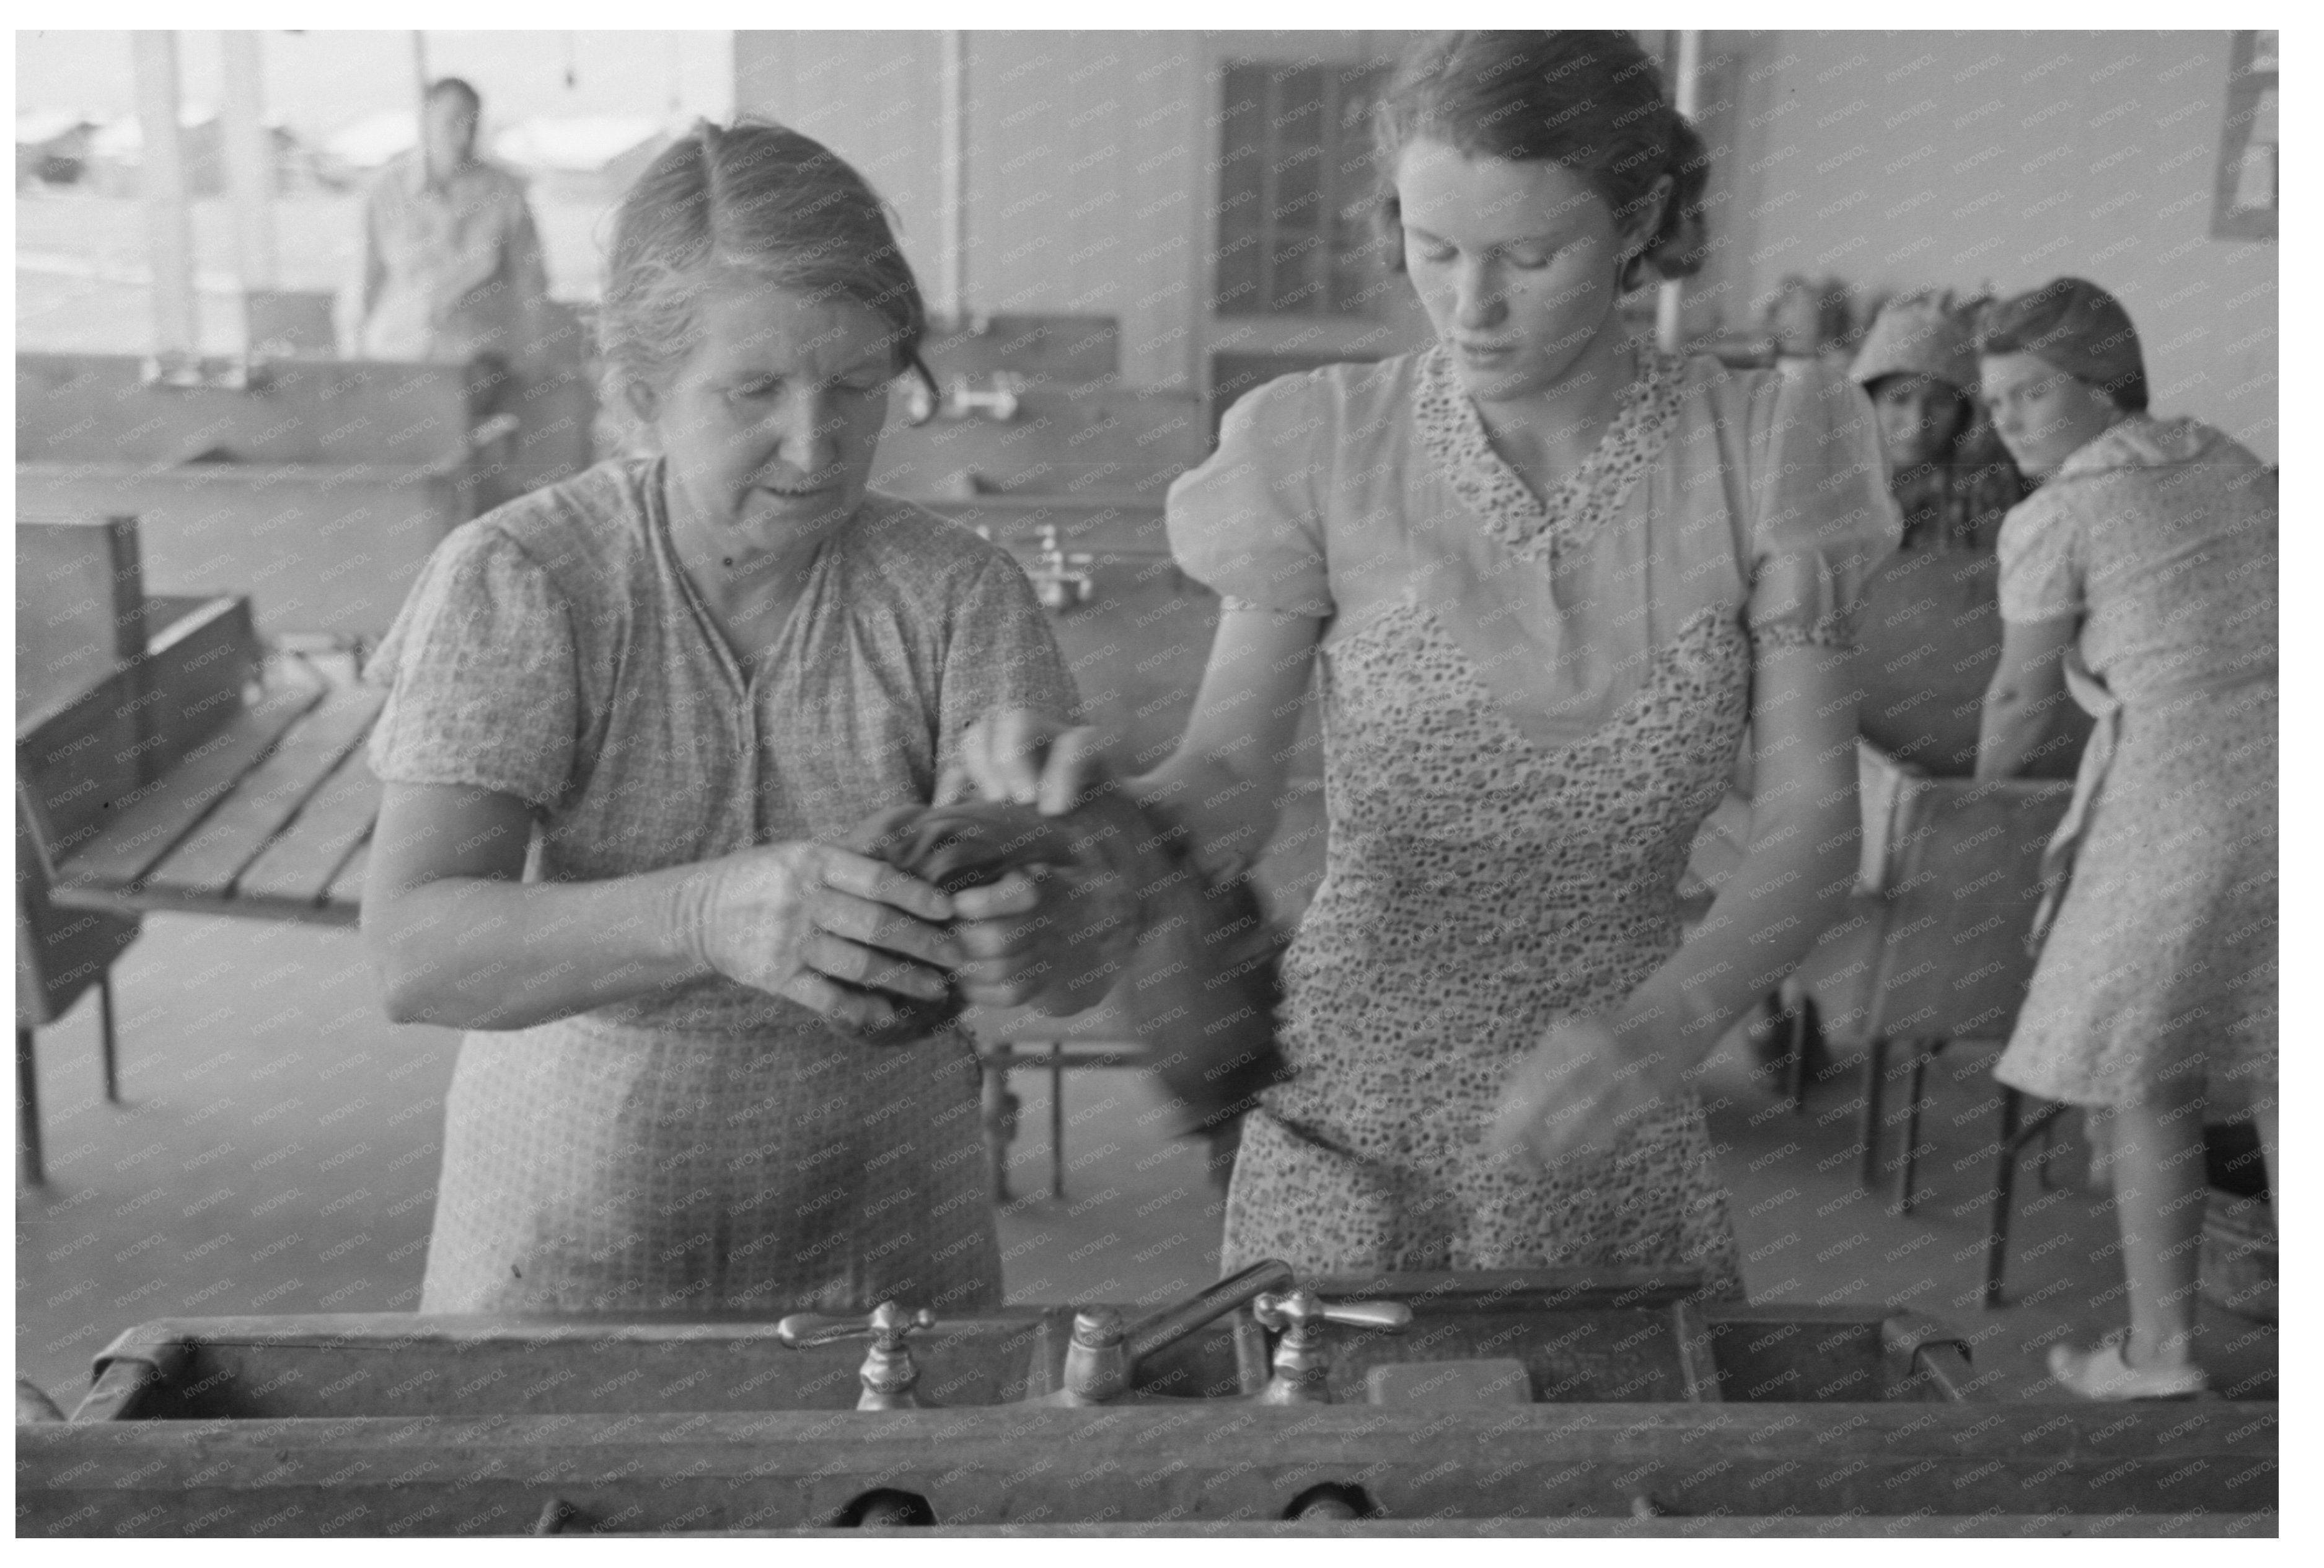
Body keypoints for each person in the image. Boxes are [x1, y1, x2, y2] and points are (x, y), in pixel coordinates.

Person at [963, 31, 1901, 1291]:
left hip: (1611, 1099)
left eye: (1529, 255)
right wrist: (1104, 813)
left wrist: (1669, 1026)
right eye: (1434, 246)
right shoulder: (1320, 442)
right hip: (1347, 1093)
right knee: (1341, 1472)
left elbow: (1812, 827)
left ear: (1641, 222)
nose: (1473, 306)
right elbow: (1232, 773)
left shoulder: (1767, 448)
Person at [360, 120, 1100, 1316]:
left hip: (884, 1247)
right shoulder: (527, 580)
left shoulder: (955, 591)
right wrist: (703, 912)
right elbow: (416, 952)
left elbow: (1067, 969)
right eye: (752, 390)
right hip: (564, 1239)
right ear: (637, 392)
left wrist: (1050, 918)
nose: (815, 445)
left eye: (857, 385)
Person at [1974, 277, 2278, 1399]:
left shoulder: (2055, 517)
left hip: (2184, 796)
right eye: (1992, 399)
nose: (2003, 419)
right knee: (2287, 1070)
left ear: (2103, 389)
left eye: (2028, 393)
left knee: (2146, 1071)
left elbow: (2016, 700)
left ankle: (2160, 1353)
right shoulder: (2227, 458)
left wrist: (1976, 800)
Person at [356, 77, 552, 373]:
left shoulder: (505, 193)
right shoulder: (387, 190)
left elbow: (532, 283)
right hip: (396, 357)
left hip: (479, 368)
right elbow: (364, 279)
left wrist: (532, 362)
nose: (463, 138)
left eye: (471, 125)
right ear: (426, 121)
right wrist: (353, 361)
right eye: (452, 123)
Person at [1851, 293, 2023, 552]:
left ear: (1965, 413)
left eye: (1940, 403)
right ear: (1866, 402)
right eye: (1899, 399)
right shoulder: (1832, 482)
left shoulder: (1983, 484)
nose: (1917, 423)